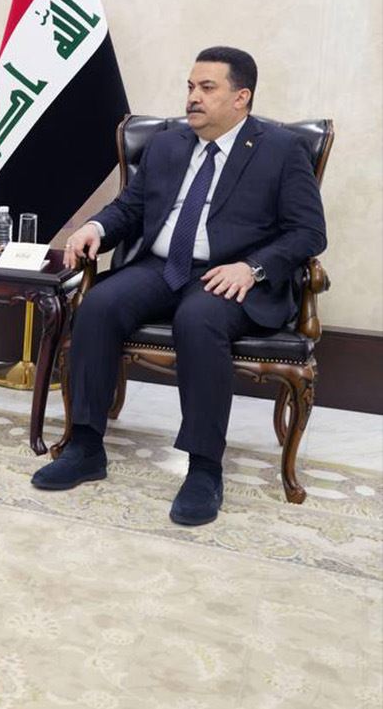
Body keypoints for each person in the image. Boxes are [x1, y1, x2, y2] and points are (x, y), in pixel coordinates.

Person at [34, 46, 326, 526]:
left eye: (207, 88)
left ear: (241, 97)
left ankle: (204, 469)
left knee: (199, 318)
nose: (193, 97)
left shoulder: (280, 150)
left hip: (229, 275)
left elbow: (309, 232)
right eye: (191, 87)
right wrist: (95, 227)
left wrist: (252, 268)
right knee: (99, 305)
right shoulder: (167, 145)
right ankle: (86, 446)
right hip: (162, 266)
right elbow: (130, 208)